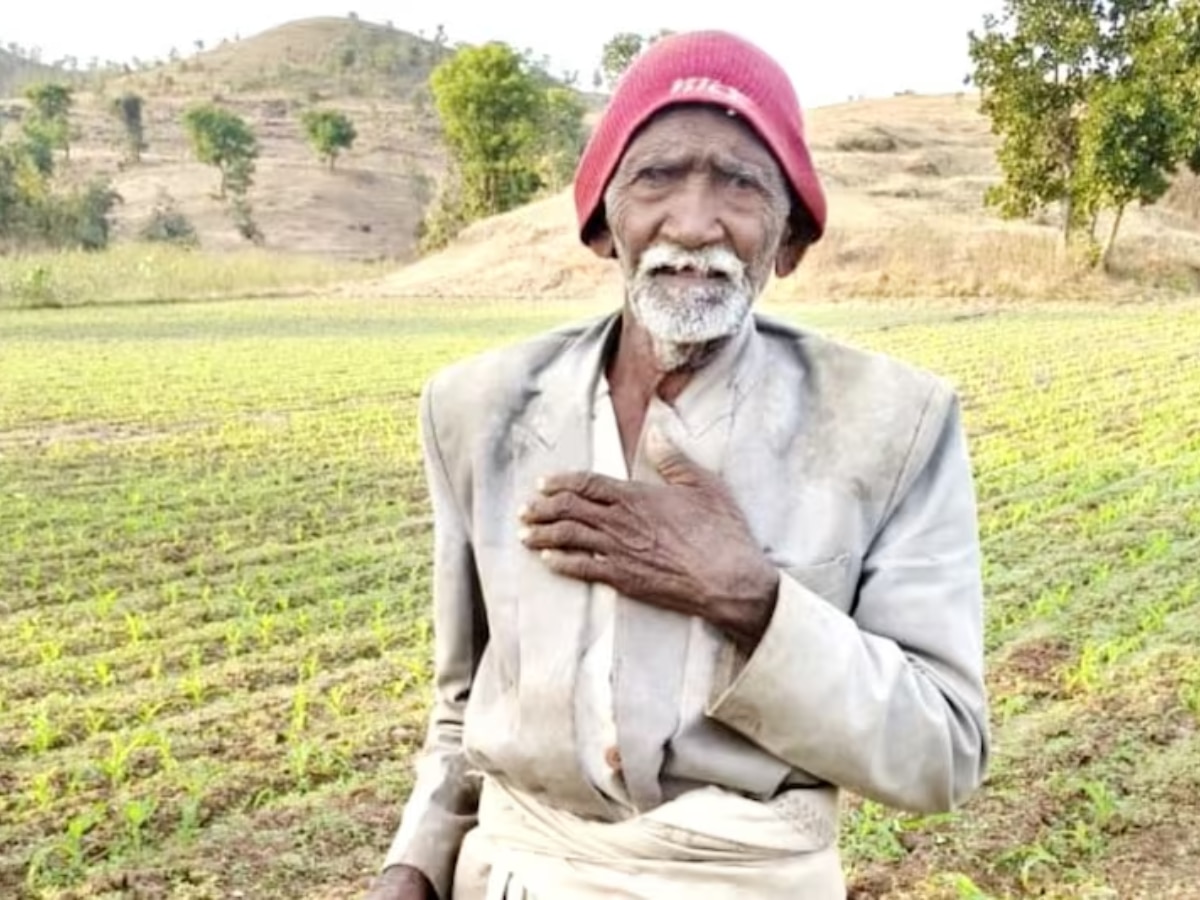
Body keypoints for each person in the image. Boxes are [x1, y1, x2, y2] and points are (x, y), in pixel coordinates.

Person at [368, 30, 989, 900]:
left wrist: (749, 596)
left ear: (792, 240)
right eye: (657, 175)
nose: (695, 222)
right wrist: (417, 860)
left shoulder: (892, 424)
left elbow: (944, 752)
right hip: (513, 875)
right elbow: (463, 701)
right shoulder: (477, 409)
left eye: (741, 181)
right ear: (601, 222)